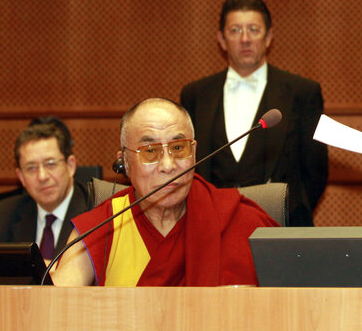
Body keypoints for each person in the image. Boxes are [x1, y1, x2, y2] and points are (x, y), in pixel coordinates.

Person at [52, 98, 277, 286]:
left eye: (179, 148)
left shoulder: (243, 222)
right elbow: (57, 310)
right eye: (150, 151)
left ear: (194, 152)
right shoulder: (102, 226)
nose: (168, 165)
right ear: (125, 163)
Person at [180, 0, 328, 226]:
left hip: (280, 230)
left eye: (254, 30)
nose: (246, 39)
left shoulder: (302, 92)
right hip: (211, 226)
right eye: (236, 30)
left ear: (269, 37)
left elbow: (316, 171)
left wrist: (290, 214)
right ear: (221, 39)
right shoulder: (195, 95)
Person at [0, 118, 88, 262]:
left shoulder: (95, 212)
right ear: (21, 177)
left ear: (70, 166)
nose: (42, 176)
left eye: (50, 164)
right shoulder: (4, 216)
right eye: (31, 168)